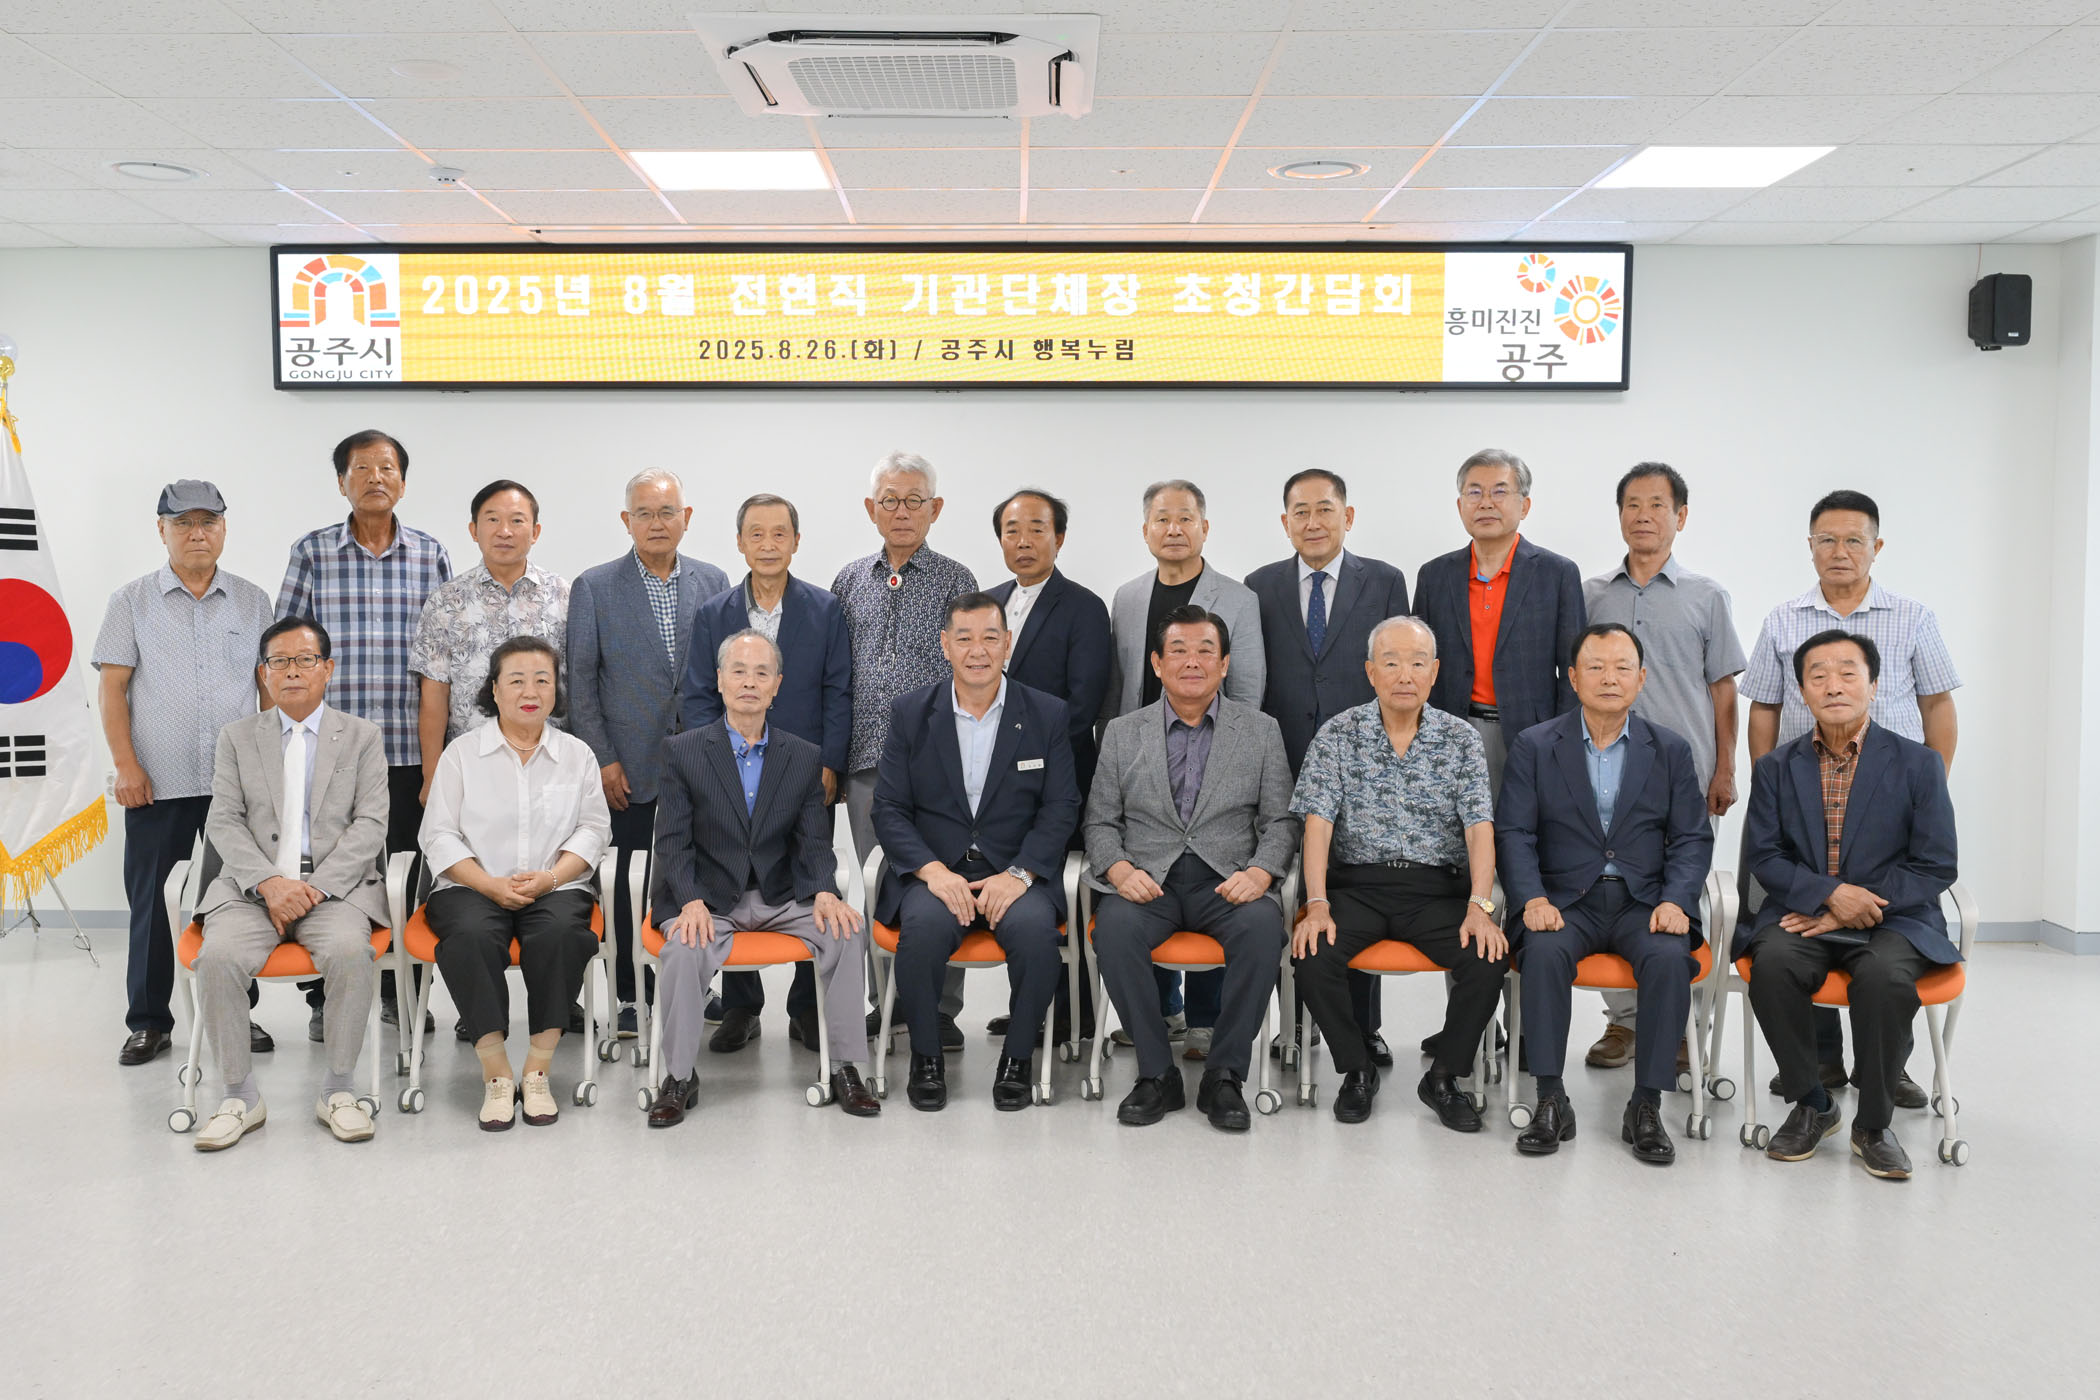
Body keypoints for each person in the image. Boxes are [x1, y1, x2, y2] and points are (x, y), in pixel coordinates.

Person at [1739, 489, 1959, 1105]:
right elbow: (1764, 706)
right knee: (1789, 944)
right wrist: (1772, 787)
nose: (1840, 551)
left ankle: (1882, 1076)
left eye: (1854, 540)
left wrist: (1927, 788)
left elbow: (1938, 704)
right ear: (1810, 546)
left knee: (1884, 970)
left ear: (1876, 546)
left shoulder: (1912, 617)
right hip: (1804, 795)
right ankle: (1817, 1069)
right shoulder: (1784, 619)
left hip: (1889, 800)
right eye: (1827, 540)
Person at [1739, 630, 1958, 1181]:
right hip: (1804, 911)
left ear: (1874, 685)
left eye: (1847, 673)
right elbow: (1765, 855)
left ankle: (1874, 1125)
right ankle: (1813, 1103)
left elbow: (1936, 864)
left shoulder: (1919, 764)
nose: (1833, 686)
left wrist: (1853, 903)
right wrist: (1828, 895)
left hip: (1894, 918)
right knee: (1772, 964)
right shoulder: (1775, 768)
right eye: (1818, 676)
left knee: (1884, 978)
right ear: (1802, 692)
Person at [1498, 624, 1713, 1167]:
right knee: (1542, 954)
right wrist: (1531, 899)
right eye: (1595, 667)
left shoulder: (1669, 749)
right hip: (1563, 901)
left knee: (1669, 960)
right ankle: (1551, 1098)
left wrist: (1676, 900)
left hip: (1645, 903)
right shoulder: (1535, 745)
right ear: (1573, 678)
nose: (1609, 678)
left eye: (1622, 668)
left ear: (1642, 679)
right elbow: (1515, 833)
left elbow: (1692, 837)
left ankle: (1646, 1105)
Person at [645, 630, 879, 1125]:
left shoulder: (802, 755)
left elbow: (813, 840)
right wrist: (688, 901)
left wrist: (825, 891)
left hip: (780, 896)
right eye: (739, 671)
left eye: (761, 673)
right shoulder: (683, 751)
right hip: (709, 898)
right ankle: (679, 1076)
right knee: (683, 949)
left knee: (847, 931)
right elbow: (672, 842)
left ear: (776, 685)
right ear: (720, 681)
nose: (749, 682)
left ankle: (844, 1068)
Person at [1290, 616, 1506, 1131]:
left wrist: (1480, 906)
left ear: (1434, 672)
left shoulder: (1460, 738)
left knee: (1487, 957)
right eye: (1391, 663)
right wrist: (1316, 903)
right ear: (1371, 672)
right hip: (1358, 886)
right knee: (1312, 953)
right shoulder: (1337, 734)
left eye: (1416, 663)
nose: (1404, 675)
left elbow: (1479, 829)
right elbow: (1317, 826)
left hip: (1436, 890)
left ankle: (1445, 1077)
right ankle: (1356, 1069)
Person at [1087, 605, 1296, 1133]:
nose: (1192, 661)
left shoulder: (1261, 731)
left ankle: (1224, 1074)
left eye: (1206, 651)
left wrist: (1262, 873)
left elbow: (1281, 821)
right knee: (1113, 930)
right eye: (1178, 650)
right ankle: (1157, 1073)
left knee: (1262, 929)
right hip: (1147, 881)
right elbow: (1100, 822)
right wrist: (1118, 870)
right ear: (1157, 663)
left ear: (1224, 664)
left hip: (1226, 881)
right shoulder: (1122, 732)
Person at [872, 593, 1079, 1113]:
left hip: (1015, 873)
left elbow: (1061, 807)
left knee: (1036, 937)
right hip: (938, 873)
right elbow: (889, 808)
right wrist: (932, 872)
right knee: (921, 934)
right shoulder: (910, 713)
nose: (978, 650)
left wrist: (1021, 873)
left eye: (990, 637)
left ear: (1007, 643)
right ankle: (926, 1058)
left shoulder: (1046, 713)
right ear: (945, 645)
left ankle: (1017, 1061)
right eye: (964, 638)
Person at [190, 618, 391, 1151]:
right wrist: (269, 883)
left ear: (328, 669)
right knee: (217, 958)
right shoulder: (237, 738)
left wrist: (315, 888)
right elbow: (224, 820)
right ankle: (239, 1097)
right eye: (279, 661)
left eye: (305, 659)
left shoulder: (363, 737)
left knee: (350, 952)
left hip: (335, 890)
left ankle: (339, 1091)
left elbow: (371, 825)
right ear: (264, 673)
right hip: (251, 889)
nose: (293, 671)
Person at [93, 479, 273, 1067]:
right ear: (161, 529)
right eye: (183, 523)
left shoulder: (253, 601)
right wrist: (126, 766)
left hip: (234, 785)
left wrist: (270, 771)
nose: (198, 533)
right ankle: (149, 1022)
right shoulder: (131, 601)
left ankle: (235, 1013)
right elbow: (113, 688)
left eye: (208, 521)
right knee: (151, 905)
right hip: (156, 782)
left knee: (237, 901)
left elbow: (267, 690)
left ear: (224, 527)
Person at [277, 429, 451, 1035]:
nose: (375, 478)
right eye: (361, 469)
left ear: (402, 481)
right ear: (341, 482)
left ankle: (403, 993)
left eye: (387, 468)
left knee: (408, 872)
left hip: (407, 746)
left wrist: (436, 762)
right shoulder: (313, 552)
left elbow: (443, 659)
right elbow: (284, 649)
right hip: (330, 751)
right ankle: (325, 998)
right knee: (326, 870)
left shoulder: (430, 554)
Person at [1581, 463, 1746, 1072]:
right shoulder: (1593, 594)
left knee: (1682, 897)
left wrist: (1725, 768)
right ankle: (1624, 1022)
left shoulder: (1707, 597)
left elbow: (1724, 691)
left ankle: (1680, 1027)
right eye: (1632, 504)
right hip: (1604, 776)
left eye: (1657, 504)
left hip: (1685, 776)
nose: (1643, 515)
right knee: (1608, 891)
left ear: (1681, 516)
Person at [1245, 468, 1411, 1067]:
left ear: (1348, 516)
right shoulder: (1260, 585)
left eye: (1324, 509)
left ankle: (1363, 1027)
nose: (1313, 522)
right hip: (1282, 755)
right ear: (1284, 521)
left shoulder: (1384, 581)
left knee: (1356, 885)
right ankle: (1291, 1024)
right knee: (1283, 886)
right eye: (1300, 512)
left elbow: (1398, 668)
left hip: (1363, 761)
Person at [419, 636, 611, 1131]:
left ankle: (537, 1069)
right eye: (517, 680)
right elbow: (437, 834)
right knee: (470, 937)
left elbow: (594, 829)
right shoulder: (462, 754)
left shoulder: (576, 754)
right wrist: (487, 884)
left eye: (542, 680)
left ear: (555, 690)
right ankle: (497, 1073)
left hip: (556, 885)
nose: (530, 691)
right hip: (471, 885)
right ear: (494, 690)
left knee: (562, 935)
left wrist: (551, 877)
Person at [1105, 479, 1266, 1059]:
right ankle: (1160, 1013)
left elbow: (1248, 688)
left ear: (1204, 527)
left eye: (1186, 518)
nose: (1174, 528)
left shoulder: (1238, 598)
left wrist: (1224, 754)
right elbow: (1121, 687)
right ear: (1145, 529)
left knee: (1217, 863)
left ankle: (1205, 1019)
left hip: (1216, 755)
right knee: (1147, 871)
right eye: (1161, 518)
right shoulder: (1127, 597)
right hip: (1145, 756)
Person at [687, 492, 852, 1055]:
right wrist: (709, 768)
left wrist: (829, 763)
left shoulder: (825, 609)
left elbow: (838, 690)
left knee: (809, 881)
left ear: (796, 542)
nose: (768, 544)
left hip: (805, 776)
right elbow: (698, 695)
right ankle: (741, 1007)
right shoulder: (714, 614)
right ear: (739, 542)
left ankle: (806, 1008)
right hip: (728, 776)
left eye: (779, 533)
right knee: (734, 879)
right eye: (755, 533)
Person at [566, 470, 727, 1039]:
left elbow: (724, 670)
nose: (656, 523)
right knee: (625, 882)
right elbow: (581, 682)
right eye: (644, 513)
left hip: (702, 758)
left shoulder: (714, 580)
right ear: (626, 521)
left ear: (687, 517)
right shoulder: (594, 586)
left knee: (699, 876)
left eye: (667, 512)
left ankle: (695, 983)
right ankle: (630, 994)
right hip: (626, 762)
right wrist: (602, 758)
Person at [411, 478, 573, 1040]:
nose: (505, 531)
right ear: (473, 529)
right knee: (476, 894)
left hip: (546, 765)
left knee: (551, 894)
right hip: (471, 771)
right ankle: (482, 1011)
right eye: (493, 520)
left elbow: (579, 682)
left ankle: (560, 1002)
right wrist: (432, 772)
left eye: (517, 520)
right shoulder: (447, 601)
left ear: (536, 530)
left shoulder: (563, 595)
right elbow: (433, 694)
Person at [831, 451, 978, 1049]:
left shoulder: (957, 580)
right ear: (871, 509)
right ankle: (884, 1002)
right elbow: (835, 676)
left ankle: (940, 1009)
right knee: (877, 882)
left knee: (945, 880)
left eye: (914, 500)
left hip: (942, 762)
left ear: (934, 509)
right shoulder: (848, 581)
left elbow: (973, 667)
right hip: (867, 760)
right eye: (889, 500)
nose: (901, 511)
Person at [984, 487, 1111, 1046]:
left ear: (1059, 537)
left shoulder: (1083, 607)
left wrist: (1021, 751)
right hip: (992, 785)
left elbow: (1085, 702)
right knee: (1017, 898)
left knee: (1061, 892)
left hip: (1059, 775)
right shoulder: (987, 602)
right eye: (1012, 530)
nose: (1024, 540)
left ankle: (1074, 1019)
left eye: (1037, 528)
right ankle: (1030, 1009)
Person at [1412, 447, 1584, 798]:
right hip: (1450, 731)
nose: (1486, 503)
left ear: (1525, 506)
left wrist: (1562, 739)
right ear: (1460, 505)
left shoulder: (1557, 574)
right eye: (1474, 492)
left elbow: (1573, 669)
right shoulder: (1434, 575)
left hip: (1532, 733)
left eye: (1499, 492)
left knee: (1522, 826)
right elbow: (1417, 663)